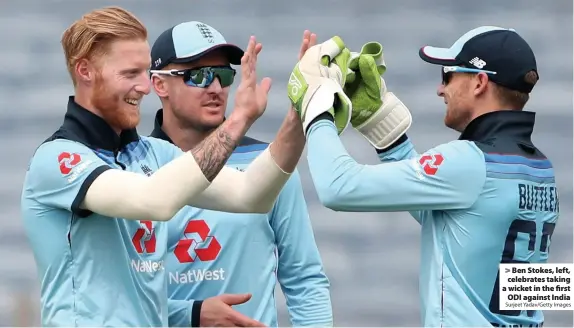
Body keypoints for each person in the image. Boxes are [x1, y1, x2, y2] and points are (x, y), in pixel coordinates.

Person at [19, 6, 321, 327]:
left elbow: (251, 195)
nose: (145, 86)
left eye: (145, 71)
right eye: (130, 74)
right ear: (85, 72)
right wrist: (238, 120)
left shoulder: (153, 153)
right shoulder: (57, 160)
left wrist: (299, 115)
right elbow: (154, 202)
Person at [298, 26, 559, 327]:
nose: (440, 89)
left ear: (479, 82)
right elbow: (454, 226)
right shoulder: (542, 169)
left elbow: (337, 188)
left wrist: (317, 107)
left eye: (447, 75)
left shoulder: (467, 162)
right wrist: (384, 128)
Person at [148, 22, 333, 327]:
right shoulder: (133, 169)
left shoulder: (268, 164)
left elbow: (305, 279)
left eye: (223, 76)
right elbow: (120, 298)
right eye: (199, 76)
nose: (216, 89)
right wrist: (191, 315)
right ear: (159, 85)